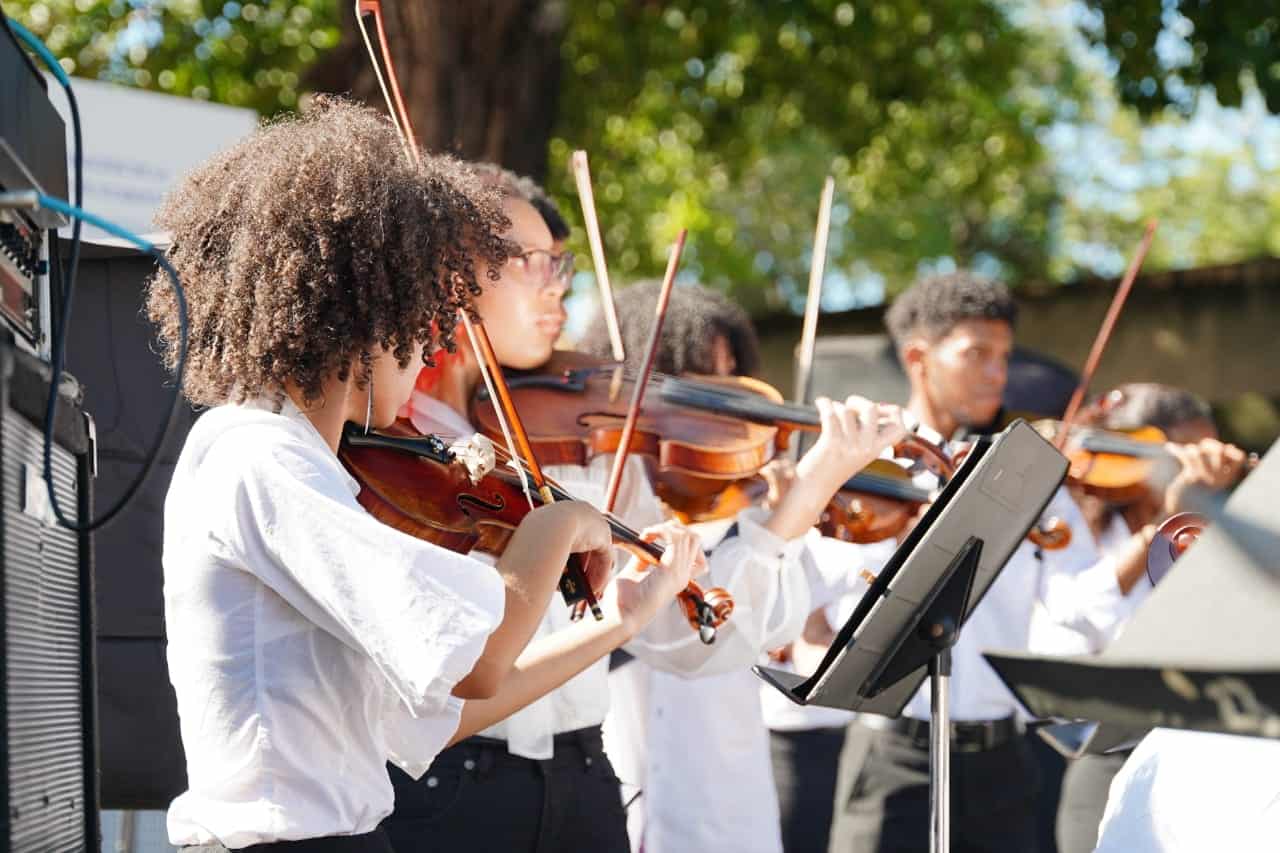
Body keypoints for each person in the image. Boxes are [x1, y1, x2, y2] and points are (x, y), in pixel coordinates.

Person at [148, 100, 696, 853]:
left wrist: (619, 621)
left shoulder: (295, 460)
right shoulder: (257, 452)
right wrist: (562, 522)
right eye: (421, 321)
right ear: (363, 315)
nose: (428, 346)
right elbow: (479, 659)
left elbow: (439, 712)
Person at [382, 175, 908, 853]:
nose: (557, 282)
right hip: (447, 792)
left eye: (559, 262)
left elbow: (686, 639)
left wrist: (805, 495)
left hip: (585, 782)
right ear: (448, 280)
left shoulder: (589, 434)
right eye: (526, 262)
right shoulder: (390, 445)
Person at [577, 280, 901, 853]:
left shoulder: (747, 492)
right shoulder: (595, 487)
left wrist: (786, 516)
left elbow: (777, 627)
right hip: (610, 777)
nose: (719, 411)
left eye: (730, 384)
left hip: (721, 785)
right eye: (698, 386)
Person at [827, 270, 1118, 853]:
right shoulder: (857, 462)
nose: (997, 373)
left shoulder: (1029, 472)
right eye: (977, 353)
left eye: (1005, 356)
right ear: (919, 357)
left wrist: (1151, 539)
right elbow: (823, 602)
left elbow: (1082, 606)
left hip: (1004, 765)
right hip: (894, 756)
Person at [1045, 383, 1249, 853]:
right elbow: (1075, 620)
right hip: (1106, 758)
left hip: (1197, 761)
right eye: (1189, 451)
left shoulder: (1207, 529)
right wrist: (1165, 526)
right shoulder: (1071, 526)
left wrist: (1195, 519)